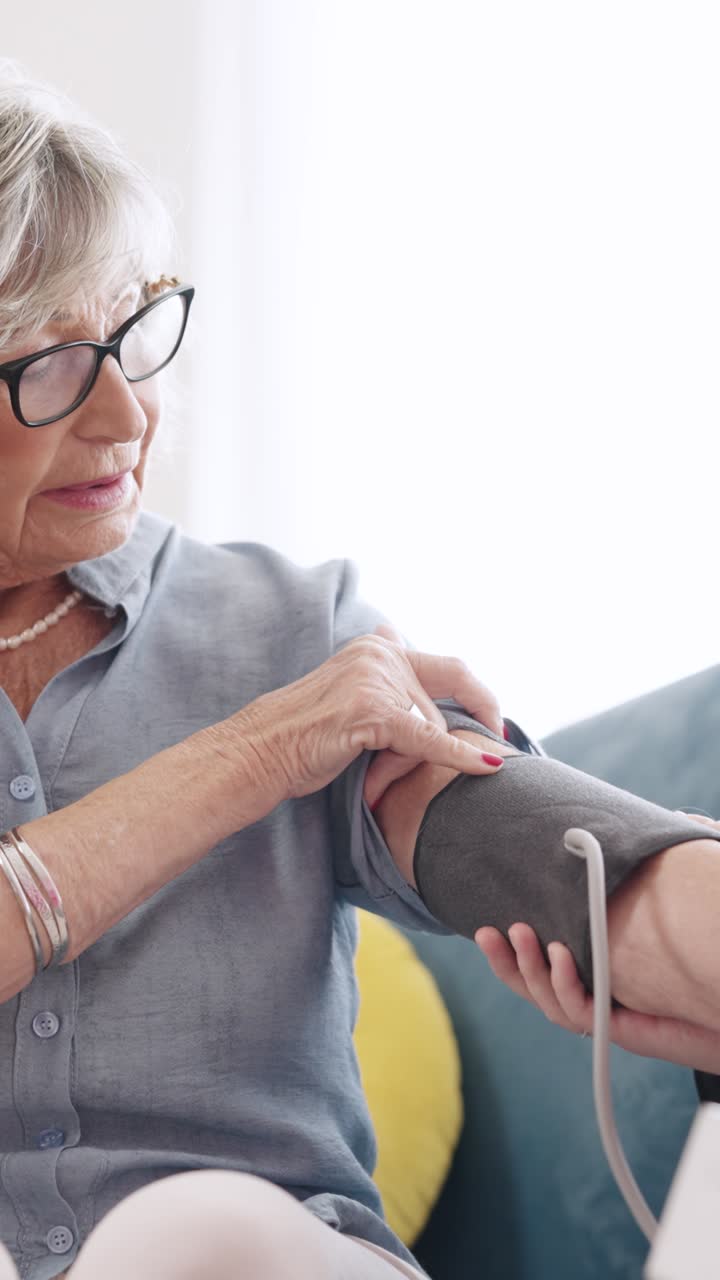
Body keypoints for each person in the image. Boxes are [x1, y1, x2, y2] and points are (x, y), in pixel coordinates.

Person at [2, 62, 720, 1280]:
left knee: (193, 1233)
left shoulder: (290, 630)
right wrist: (260, 748)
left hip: (275, 1258)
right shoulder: (304, 704)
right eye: (51, 362)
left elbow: (533, 848)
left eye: (133, 331)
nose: (127, 416)